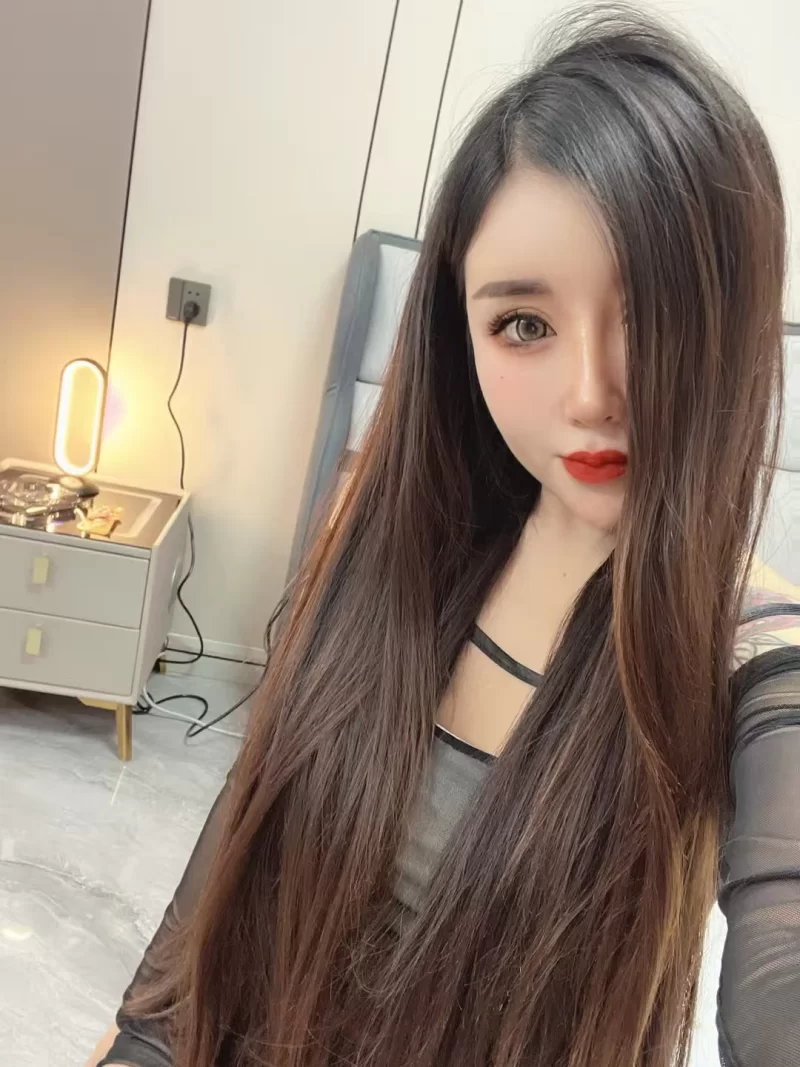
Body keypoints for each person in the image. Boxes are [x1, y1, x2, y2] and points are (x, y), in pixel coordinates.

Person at [90, 8, 800, 1067]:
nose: (591, 393)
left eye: (649, 315)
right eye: (525, 324)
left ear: (731, 321)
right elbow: (214, 908)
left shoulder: (751, 653)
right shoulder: (398, 552)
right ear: (460, 333)